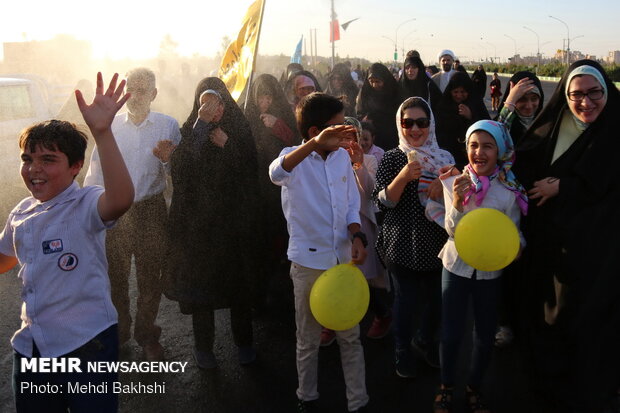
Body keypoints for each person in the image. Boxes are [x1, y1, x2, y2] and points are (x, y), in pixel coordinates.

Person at [0, 73, 134, 412]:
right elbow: (4, 259)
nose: (34, 169)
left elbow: (120, 199)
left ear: (76, 167)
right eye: (27, 159)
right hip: (33, 346)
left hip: (88, 345)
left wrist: (102, 133)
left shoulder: (85, 204)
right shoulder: (21, 212)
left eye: (48, 160)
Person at [514, 60, 620, 413]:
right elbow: (514, 163)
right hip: (548, 249)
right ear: (565, 95)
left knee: (588, 327)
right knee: (546, 323)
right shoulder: (553, 126)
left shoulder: (614, 131)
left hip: (597, 255)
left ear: (607, 92)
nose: (586, 102)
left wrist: (566, 186)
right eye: (577, 94)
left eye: (595, 93)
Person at [269, 93, 370, 413]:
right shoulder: (292, 158)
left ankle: (358, 401)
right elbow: (275, 172)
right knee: (308, 339)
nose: (345, 132)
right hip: (308, 264)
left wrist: (357, 236)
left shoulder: (342, 157)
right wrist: (312, 146)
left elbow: (351, 203)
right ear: (314, 132)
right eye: (337, 127)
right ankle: (306, 397)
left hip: (342, 261)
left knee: (350, 337)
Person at [160, 78, 259, 369]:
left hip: (233, 225)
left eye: (215, 103)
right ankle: (204, 348)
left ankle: (245, 343)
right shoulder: (190, 131)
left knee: (238, 291)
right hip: (198, 228)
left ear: (225, 104)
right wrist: (200, 128)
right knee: (201, 291)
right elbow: (180, 170)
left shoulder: (238, 128)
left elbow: (251, 171)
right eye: (204, 103)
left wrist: (229, 146)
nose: (211, 109)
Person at [84, 68, 180, 361]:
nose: (135, 97)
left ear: (154, 94)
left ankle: (147, 336)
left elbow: (179, 178)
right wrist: (94, 214)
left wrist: (167, 161)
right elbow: (95, 174)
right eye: (131, 90)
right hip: (116, 210)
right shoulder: (110, 127)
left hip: (151, 210)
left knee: (151, 278)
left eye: (142, 91)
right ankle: (120, 333)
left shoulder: (168, 126)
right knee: (115, 277)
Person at [432, 120, 527, 413]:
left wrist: (516, 249)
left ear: (499, 151)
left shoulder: (510, 191)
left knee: (485, 337)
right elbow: (451, 230)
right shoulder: (454, 182)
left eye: (487, 146)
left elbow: (515, 233)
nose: (479, 152)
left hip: (490, 273)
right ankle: (446, 386)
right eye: (473, 145)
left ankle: (474, 387)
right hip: (455, 267)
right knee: (450, 334)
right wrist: (459, 203)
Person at [372, 97, 454, 378]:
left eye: (422, 122)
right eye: (408, 123)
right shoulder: (393, 158)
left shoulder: (444, 158)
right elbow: (381, 203)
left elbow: (460, 200)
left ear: (430, 125)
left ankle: (425, 340)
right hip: (401, 245)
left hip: (436, 244)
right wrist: (404, 177)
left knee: (437, 302)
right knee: (404, 304)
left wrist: (445, 187)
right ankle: (402, 349)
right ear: (400, 124)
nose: (415, 129)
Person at [243, 73, 299, 306]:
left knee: (282, 235)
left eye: (268, 97)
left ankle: (285, 290)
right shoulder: (246, 115)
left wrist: (279, 126)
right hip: (255, 188)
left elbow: (297, 143)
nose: (264, 103)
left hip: (280, 187)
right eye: (260, 98)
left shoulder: (285, 115)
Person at [436, 71, 491, 169]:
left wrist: (471, 117)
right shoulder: (443, 107)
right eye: (455, 92)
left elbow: (488, 128)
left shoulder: (476, 105)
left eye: (463, 92)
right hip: (448, 158)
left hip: (473, 159)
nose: (459, 95)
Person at [356, 63, 401, 150]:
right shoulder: (365, 93)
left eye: (378, 81)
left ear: (385, 80)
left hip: (391, 138)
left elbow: (396, 114)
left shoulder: (394, 92)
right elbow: (359, 113)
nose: (374, 85)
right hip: (370, 141)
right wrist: (364, 119)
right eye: (371, 81)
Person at [496, 71, 544, 146]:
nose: (529, 106)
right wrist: (509, 104)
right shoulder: (499, 125)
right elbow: (497, 140)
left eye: (534, 99)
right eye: (522, 99)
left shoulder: (548, 125)